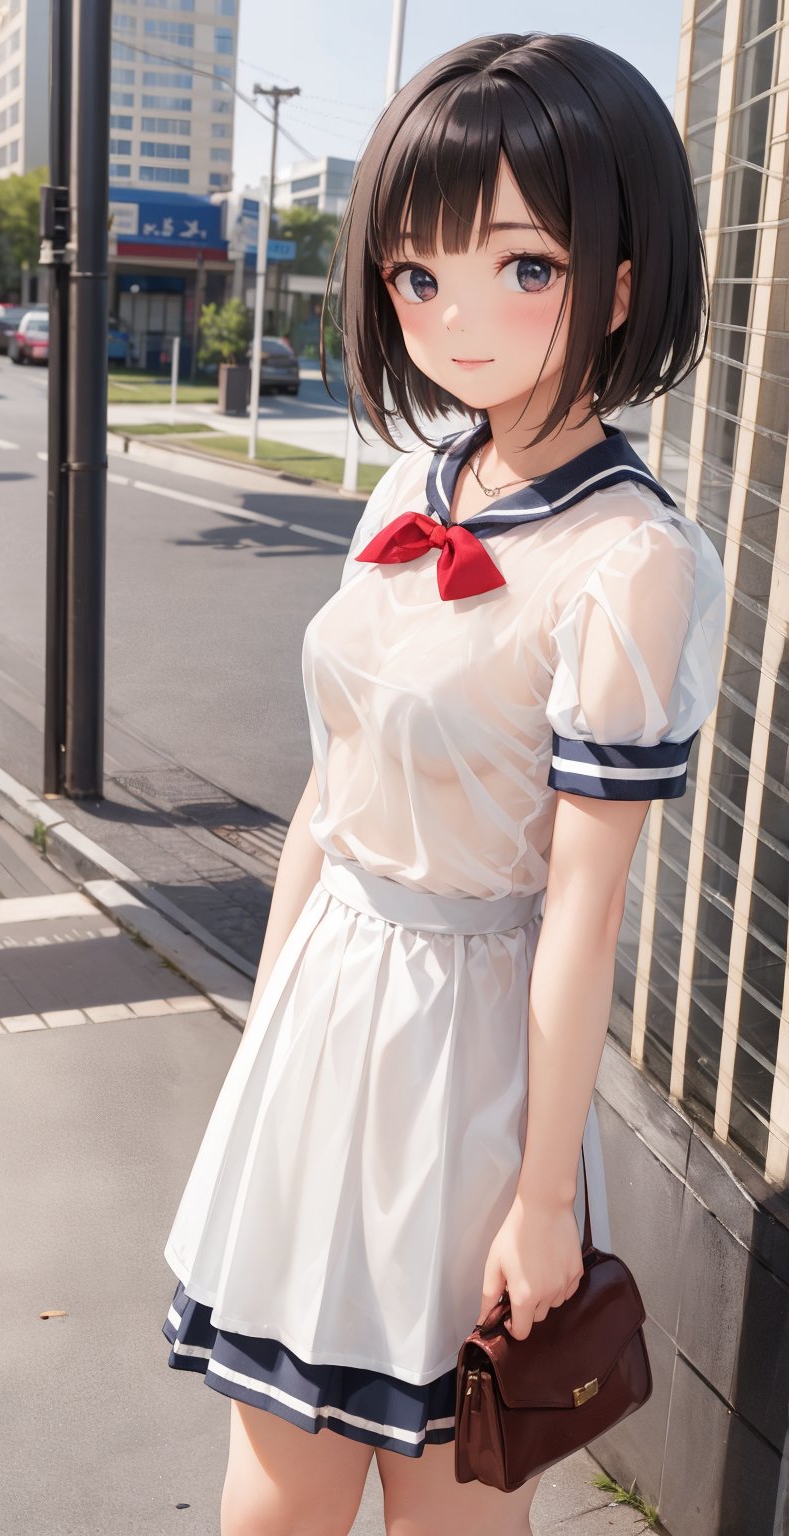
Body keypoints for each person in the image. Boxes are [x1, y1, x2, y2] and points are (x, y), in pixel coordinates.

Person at [161, 32, 726, 1536]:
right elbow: (329, 799)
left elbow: (583, 918)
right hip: (326, 1017)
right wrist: (265, 1038)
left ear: (616, 281)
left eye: (522, 267)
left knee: (455, 1494)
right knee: (269, 1502)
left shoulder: (631, 561)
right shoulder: (410, 487)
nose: (460, 317)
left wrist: (544, 1200)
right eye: (421, 276)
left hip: (469, 1055)